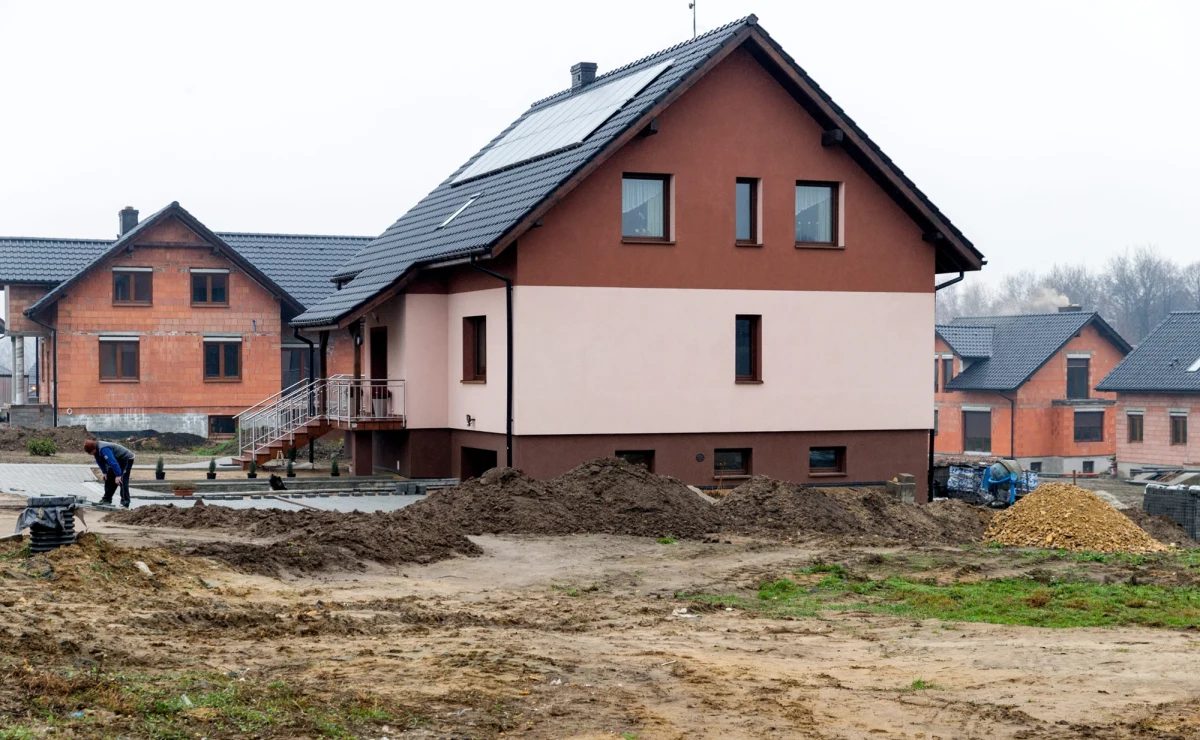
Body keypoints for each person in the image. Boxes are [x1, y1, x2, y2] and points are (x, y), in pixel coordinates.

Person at [84, 439, 136, 508]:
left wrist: (118, 475)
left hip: (126, 458)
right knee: (109, 478)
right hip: (117, 459)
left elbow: (112, 462)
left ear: (93, 449)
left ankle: (125, 502)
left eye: (91, 452)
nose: (90, 454)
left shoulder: (104, 449)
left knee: (122, 480)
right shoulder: (96, 450)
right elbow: (99, 461)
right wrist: (104, 472)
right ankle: (107, 499)